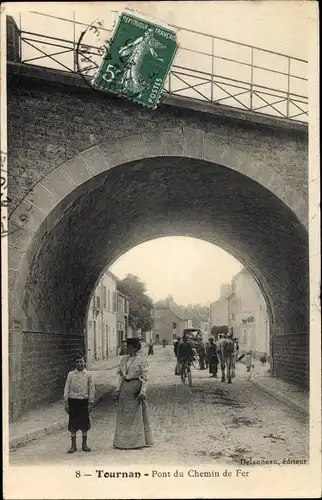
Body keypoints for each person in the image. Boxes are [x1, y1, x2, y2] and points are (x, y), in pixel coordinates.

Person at [113, 338, 154, 449]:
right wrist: (118, 389)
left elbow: (145, 378)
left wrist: (143, 391)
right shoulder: (124, 360)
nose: (127, 348)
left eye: (130, 346)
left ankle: (136, 442)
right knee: (124, 415)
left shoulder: (141, 360)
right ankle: (122, 442)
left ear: (136, 348)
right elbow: (121, 376)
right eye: (127, 346)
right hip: (124, 389)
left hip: (136, 388)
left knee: (135, 416)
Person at [63, 354, 95, 453]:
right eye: (77, 362)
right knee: (73, 423)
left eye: (81, 362)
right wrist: (66, 402)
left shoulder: (88, 375)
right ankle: (73, 445)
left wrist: (91, 402)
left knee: (84, 423)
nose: (79, 364)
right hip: (73, 401)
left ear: (84, 362)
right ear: (74, 364)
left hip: (84, 401)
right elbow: (66, 388)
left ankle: (84, 444)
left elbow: (92, 389)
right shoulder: (71, 374)